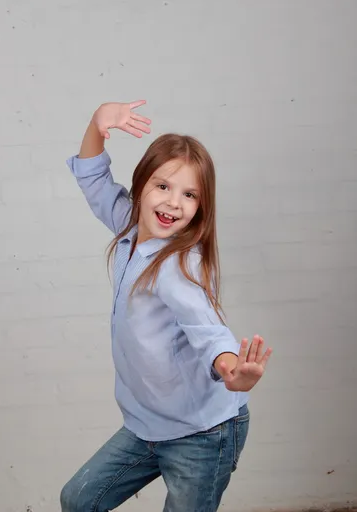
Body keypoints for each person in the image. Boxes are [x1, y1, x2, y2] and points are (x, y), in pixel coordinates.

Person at [61, 100, 272, 512]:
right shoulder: (127, 224)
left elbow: (207, 328)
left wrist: (232, 370)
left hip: (202, 433)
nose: (174, 203)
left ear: (201, 207)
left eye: (189, 194)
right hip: (148, 425)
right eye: (163, 186)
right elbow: (93, 178)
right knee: (79, 499)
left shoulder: (177, 266)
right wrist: (96, 122)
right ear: (140, 186)